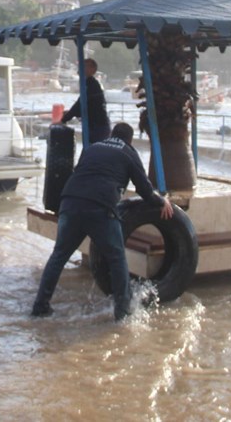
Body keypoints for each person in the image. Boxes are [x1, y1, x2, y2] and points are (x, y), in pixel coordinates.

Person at [31, 122, 173, 321]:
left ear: (112, 134)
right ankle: (123, 314)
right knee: (116, 258)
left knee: (59, 256)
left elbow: (83, 173)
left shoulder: (93, 147)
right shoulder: (129, 153)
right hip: (100, 208)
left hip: (70, 203)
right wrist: (161, 200)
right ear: (129, 140)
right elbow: (145, 190)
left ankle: (40, 307)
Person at [59, 58, 110, 143]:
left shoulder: (92, 85)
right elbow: (84, 105)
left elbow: (80, 104)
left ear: (92, 70)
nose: (80, 70)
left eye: (84, 67)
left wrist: (64, 119)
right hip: (93, 126)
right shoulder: (88, 83)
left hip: (98, 127)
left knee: (93, 151)